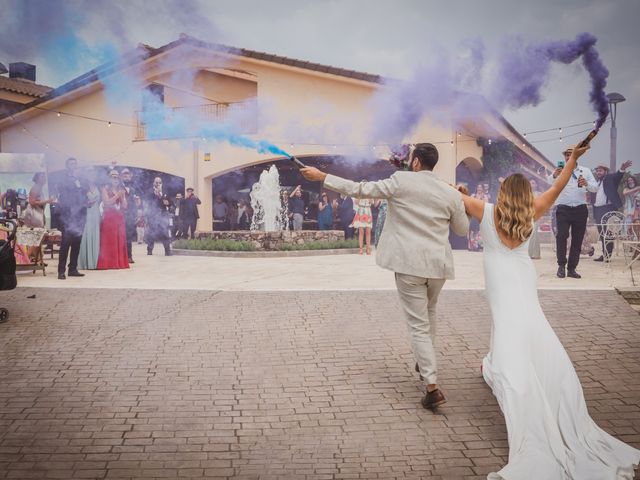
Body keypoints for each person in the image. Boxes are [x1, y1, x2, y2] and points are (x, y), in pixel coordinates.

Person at [459, 143, 640, 477]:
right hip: (522, 276)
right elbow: (558, 185)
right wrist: (573, 159)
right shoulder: (534, 210)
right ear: (525, 194)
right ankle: (495, 366)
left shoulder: (484, 211)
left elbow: (449, 195)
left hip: (499, 279)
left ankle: (508, 374)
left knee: (507, 325)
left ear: (503, 193)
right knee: (528, 322)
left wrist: (458, 190)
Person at [301, 143, 469, 409]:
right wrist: (461, 199)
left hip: (409, 264)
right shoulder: (449, 192)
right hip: (438, 265)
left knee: (418, 325)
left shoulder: (401, 181)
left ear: (415, 163)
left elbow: (361, 189)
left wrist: (323, 177)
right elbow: (461, 229)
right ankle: (425, 361)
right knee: (430, 313)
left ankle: (432, 386)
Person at [548, 147, 598, 279]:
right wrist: (554, 175)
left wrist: (586, 183)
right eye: (566, 155)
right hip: (563, 208)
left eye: (570, 154)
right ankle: (561, 266)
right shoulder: (560, 170)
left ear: (576, 156)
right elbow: (550, 183)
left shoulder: (585, 171)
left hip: (580, 209)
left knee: (577, 240)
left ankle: (572, 269)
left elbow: (595, 188)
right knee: (561, 236)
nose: (568, 157)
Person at [591, 161, 632, 262]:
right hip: (598, 209)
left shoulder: (610, 178)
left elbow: (618, 175)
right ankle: (604, 254)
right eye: (597, 171)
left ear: (606, 171)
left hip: (608, 208)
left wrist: (622, 168)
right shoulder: (597, 182)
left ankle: (607, 256)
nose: (598, 172)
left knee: (608, 232)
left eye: (600, 171)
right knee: (601, 232)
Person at [56, 157, 88, 280]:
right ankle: (61, 271)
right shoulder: (63, 179)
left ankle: (73, 269)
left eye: (75, 163)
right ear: (67, 166)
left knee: (77, 243)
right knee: (65, 243)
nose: (73, 165)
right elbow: (63, 194)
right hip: (68, 215)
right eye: (71, 163)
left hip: (80, 214)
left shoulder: (80, 178)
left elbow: (84, 191)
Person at [96, 170, 129, 270]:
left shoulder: (121, 189)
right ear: (109, 178)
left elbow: (125, 206)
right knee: (109, 240)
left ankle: (118, 262)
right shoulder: (105, 189)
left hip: (119, 218)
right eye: (113, 177)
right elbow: (106, 202)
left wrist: (122, 197)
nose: (115, 179)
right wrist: (117, 195)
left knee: (119, 240)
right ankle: (108, 263)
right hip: (109, 217)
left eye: (117, 177)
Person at [24, 172, 54, 262]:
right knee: (36, 238)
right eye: (42, 177)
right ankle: (27, 259)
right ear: (37, 178)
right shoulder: (35, 188)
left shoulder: (39, 188)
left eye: (44, 177)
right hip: (34, 216)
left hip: (39, 214)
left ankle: (38, 259)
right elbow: (32, 202)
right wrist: (47, 201)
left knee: (39, 238)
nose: (44, 178)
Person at [77, 169, 101, 270]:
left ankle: (94, 263)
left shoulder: (98, 187)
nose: (93, 176)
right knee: (85, 236)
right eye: (90, 174)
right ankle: (84, 262)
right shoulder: (83, 188)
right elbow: (79, 202)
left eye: (94, 175)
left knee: (95, 236)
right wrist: (86, 203)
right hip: (86, 213)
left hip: (96, 214)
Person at [145, 177, 172, 256]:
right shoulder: (150, 192)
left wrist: (168, 203)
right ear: (153, 183)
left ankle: (167, 251)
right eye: (156, 182)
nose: (158, 184)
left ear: (161, 183)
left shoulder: (165, 192)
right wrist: (157, 195)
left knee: (165, 233)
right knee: (152, 234)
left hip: (163, 216)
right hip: (153, 216)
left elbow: (170, 202)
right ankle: (149, 250)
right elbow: (148, 203)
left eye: (159, 182)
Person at [120, 168, 138, 263]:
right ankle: (120, 256)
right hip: (120, 215)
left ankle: (129, 256)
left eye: (128, 175)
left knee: (129, 236)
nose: (126, 176)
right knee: (120, 236)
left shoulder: (133, 189)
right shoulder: (118, 187)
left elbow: (134, 203)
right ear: (121, 177)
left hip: (130, 216)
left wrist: (135, 214)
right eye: (124, 175)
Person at [528, 178, 541, 259]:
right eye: (530, 183)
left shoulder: (539, 194)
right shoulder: (525, 193)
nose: (531, 185)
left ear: (536, 185)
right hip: (526, 215)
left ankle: (533, 254)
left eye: (533, 183)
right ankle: (532, 254)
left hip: (536, 215)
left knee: (534, 233)